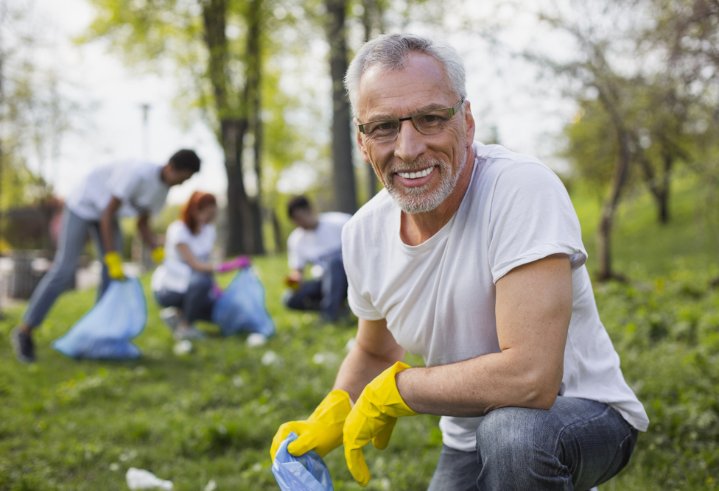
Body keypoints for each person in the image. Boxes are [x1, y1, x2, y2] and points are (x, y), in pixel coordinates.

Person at [271, 33, 649, 490]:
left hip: (582, 415)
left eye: (430, 119)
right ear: (362, 141)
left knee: (512, 433)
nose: (408, 149)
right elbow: (375, 348)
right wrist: (333, 412)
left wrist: (401, 390)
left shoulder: (519, 189)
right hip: (467, 439)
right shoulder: (363, 233)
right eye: (384, 126)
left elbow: (532, 379)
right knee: (496, 434)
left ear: (466, 122)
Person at [11, 149, 201, 363]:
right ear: (172, 167)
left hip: (107, 214)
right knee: (64, 270)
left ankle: (97, 336)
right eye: (184, 177)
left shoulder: (162, 191)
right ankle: (24, 331)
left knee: (110, 278)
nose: (183, 183)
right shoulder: (138, 173)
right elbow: (107, 214)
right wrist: (112, 258)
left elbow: (142, 222)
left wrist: (156, 249)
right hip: (82, 206)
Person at [151, 191, 248, 340]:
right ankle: (185, 327)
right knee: (203, 281)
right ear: (195, 210)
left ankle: (176, 316)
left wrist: (215, 289)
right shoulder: (178, 231)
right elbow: (195, 265)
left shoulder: (208, 230)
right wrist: (226, 267)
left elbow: (206, 263)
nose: (210, 219)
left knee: (216, 310)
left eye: (213, 215)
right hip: (170, 288)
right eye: (208, 214)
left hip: (194, 287)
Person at [282, 195, 351, 323]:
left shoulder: (340, 222)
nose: (299, 223)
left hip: (350, 278)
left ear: (310, 210)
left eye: (300, 217)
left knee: (334, 263)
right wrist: (295, 280)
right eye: (295, 220)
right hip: (323, 281)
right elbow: (298, 270)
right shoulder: (296, 239)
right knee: (289, 298)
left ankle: (330, 315)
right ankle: (336, 308)